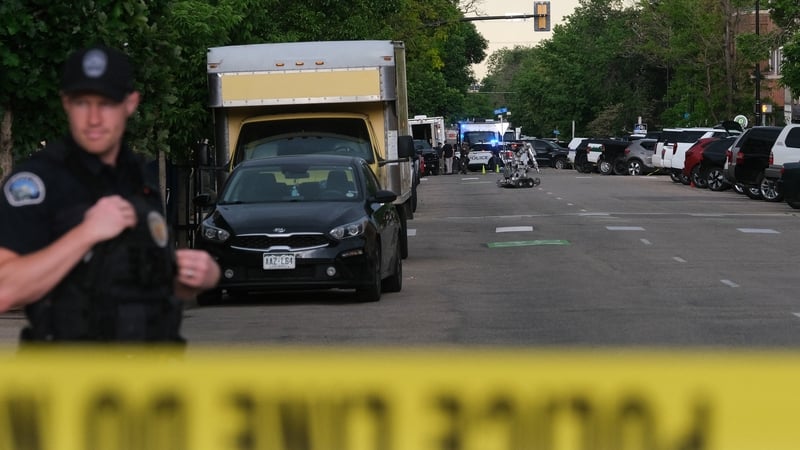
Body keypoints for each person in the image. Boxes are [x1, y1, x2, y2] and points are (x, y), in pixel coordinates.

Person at [0, 45, 220, 344]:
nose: (93, 118)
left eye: (106, 103)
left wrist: (191, 279)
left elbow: (134, 284)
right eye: (82, 103)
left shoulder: (140, 178)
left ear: (130, 104)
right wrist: (86, 233)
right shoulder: (37, 182)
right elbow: (5, 289)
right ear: (66, 104)